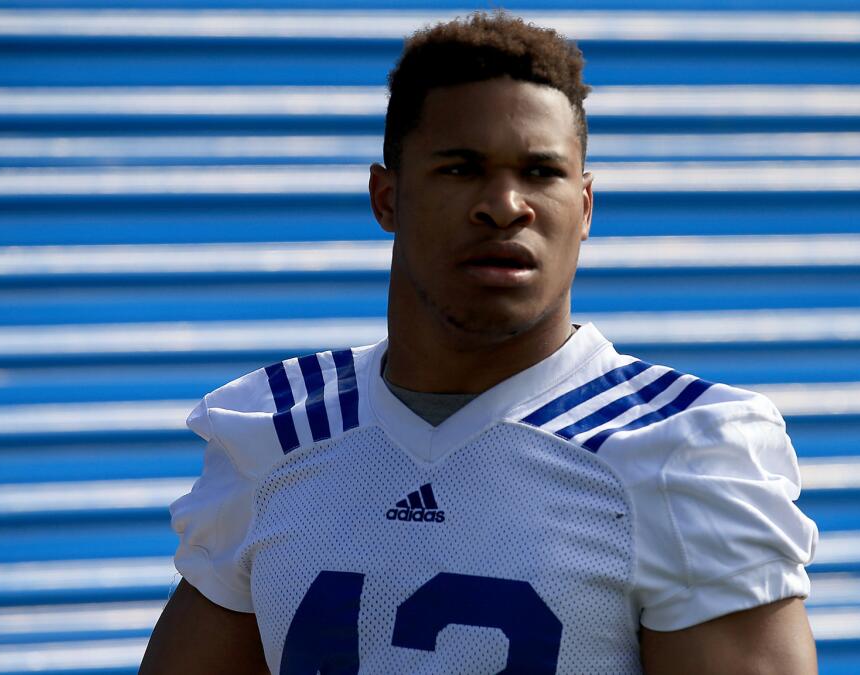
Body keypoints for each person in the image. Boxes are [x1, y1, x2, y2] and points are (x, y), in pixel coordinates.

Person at [140, 11, 819, 674]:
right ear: (386, 196)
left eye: (542, 172)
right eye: (462, 168)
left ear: (584, 207)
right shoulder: (278, 434)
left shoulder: (677, 453)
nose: (505, 204)